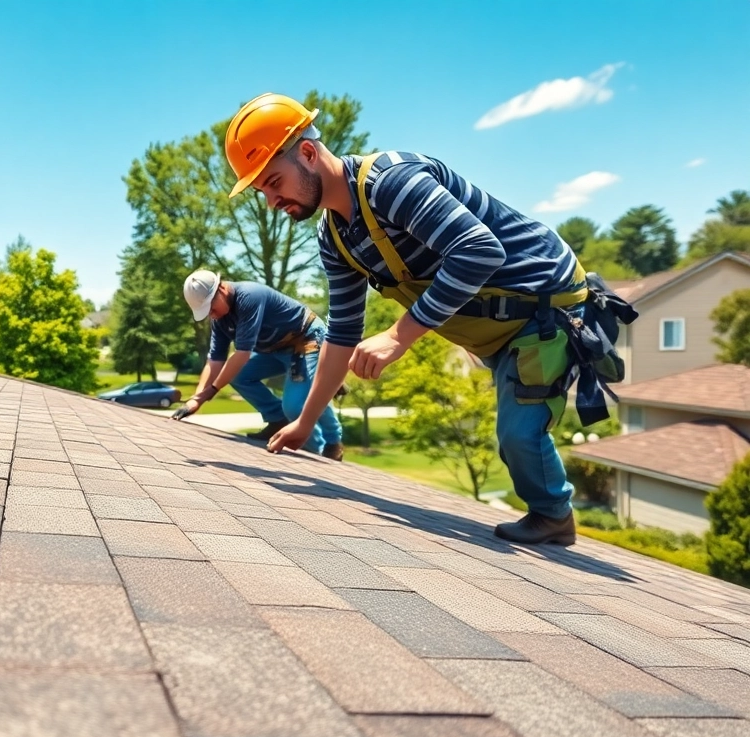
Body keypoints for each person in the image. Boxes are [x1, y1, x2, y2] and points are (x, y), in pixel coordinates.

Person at [225, 92, 621, 546]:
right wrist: (305, 422)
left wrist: (399, 335)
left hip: (544, 307)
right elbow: (343, 331)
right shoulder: (335, 237)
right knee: (517, 435)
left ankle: (553, 516)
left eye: (274, 182)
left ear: (309, 154)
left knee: (518, 437)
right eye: (262, 191)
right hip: (493, 328)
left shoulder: (392, 181)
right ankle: (551, 512)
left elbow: (479, 250)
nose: (272, 200)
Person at [173, 269, 344, 459]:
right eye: (206, 313)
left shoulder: (249, 297)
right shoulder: (220, 321)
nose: (211, 315)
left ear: (221, 289)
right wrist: (196, 399)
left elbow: (242, 355)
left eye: (211, 309)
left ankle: (329, 445)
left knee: (295, 407)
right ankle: (277, 419)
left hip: (305, 340)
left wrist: (211, 391)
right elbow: (214, 361)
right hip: (273, 350)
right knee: (238, 376)